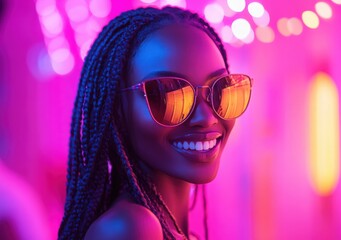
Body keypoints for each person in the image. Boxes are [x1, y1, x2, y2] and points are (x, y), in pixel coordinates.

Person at [58, 6, 252, 240]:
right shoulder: (131, 228)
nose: (206, 117)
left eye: (219, 89)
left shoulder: (172, 230)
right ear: (117, 108)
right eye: (168, 95)